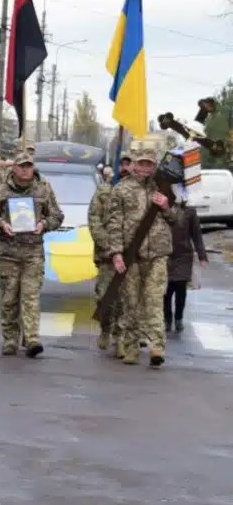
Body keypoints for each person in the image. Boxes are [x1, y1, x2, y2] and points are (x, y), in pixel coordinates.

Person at [0, 151, 63, 357]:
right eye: (21, 166)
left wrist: (44, 224)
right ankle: (10, 340)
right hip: (8, 252)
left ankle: (32, 338)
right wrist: (1, 224)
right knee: (9, 298)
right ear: (14, 169)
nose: (26, 169)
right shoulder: (0, 190)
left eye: (29, 166)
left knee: (30, 297)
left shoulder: (43, 188)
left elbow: (57, 215)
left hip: (32, 252)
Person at [105, 144, 175, 367]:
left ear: (154, 166)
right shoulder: (121, 190)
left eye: (149, 164)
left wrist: (166, 207)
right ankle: (131, 347)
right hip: (131, 255)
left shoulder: (163, 187)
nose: (145, 168)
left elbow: (178, 220)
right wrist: (116, 253)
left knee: (154, 301)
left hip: (157, 252)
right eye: (141, 163)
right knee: (131, 302)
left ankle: (156, 347)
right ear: (134, 165)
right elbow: (114, 224)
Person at [90, 150, 130, 354]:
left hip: (129, 256)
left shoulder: (136, 192)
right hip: (106, 256)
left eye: (128, 164)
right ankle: (105, 329)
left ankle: (120, 338)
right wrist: (109, 245)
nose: (124, 168)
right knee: (105, 296)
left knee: (125, 299)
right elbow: (94, 219)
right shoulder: (103, 192)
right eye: (121, 164)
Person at [166, 196, 207, 333]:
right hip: (165, 253)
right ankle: (167, 319)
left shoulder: (190, 211)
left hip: (184, 255)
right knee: (166, 290)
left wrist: (202, 256)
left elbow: (196, 235)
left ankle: (178, 319)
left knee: (180, 288)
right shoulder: (163, 206)